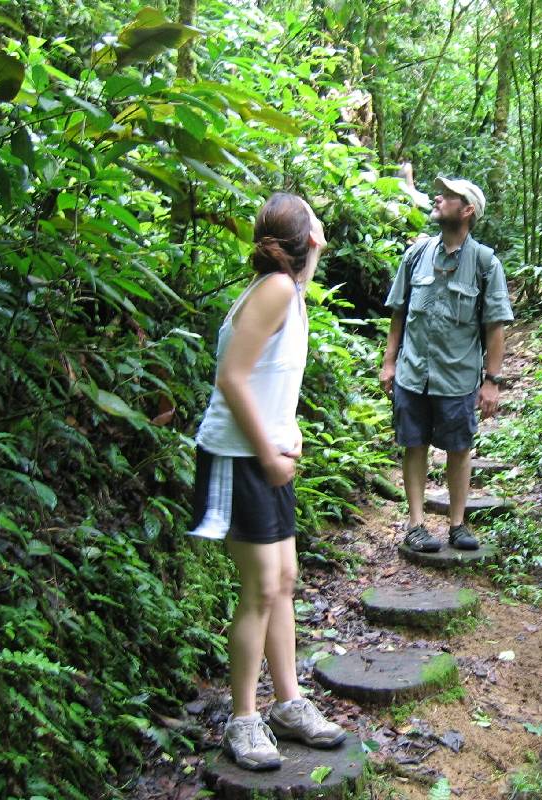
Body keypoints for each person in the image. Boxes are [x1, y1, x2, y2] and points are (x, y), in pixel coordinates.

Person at [188, 193, 346, 771]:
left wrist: (291, 430)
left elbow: (267, 378)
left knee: (284, 578)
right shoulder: (277, 290)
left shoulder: (291, 292)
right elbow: (231, 379)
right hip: (238, 456)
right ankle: (244, 719)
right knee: (260, 587)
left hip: (268, 451)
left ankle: (288, 703)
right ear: (310, 240)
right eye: (317, 220)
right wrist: (267, 449)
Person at [380, 175, 514, 553]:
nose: (438, 198)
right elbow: (399, 314)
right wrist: (389, 363)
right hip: (412, 373)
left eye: (449, 196)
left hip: (457, 376)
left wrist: (492, 382)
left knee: (459, 447)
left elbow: (494, 328)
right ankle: (417, 524)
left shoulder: (485, 263)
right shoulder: (416, 255)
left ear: (467, 210)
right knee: (414, 444)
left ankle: (458, 524)